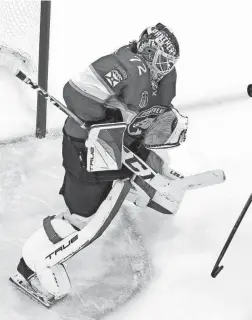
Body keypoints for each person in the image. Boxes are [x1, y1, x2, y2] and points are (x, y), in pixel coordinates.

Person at [10, 23, 188, 306]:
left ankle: (136, 191)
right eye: (161, 61)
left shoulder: (161, 77)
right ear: (149, 51)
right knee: (82, 216)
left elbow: (154, 112)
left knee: (128, 179)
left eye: (169, 63)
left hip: (117, 145)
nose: (165, 68)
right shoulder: (126, 66)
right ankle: (32, 263)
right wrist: (104, 119)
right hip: (88, 147)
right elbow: (75, 92)